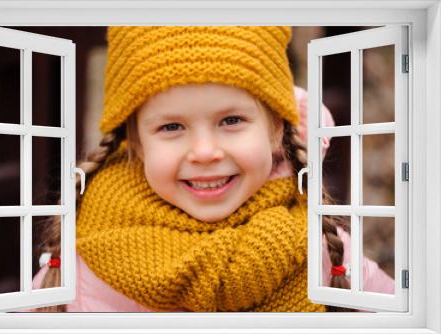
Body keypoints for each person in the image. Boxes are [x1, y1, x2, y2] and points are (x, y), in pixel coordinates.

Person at [29, 26, 393, 313]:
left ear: (277, 129)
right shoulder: (92, 247)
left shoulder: (317, 246)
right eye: (171, 127)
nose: (204, 152)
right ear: (137, 142)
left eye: (231, 120)